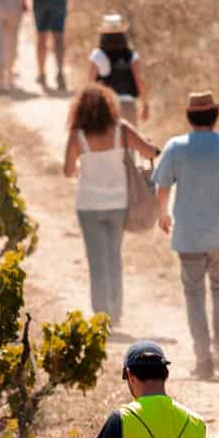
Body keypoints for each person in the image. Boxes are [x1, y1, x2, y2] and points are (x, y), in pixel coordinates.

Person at [153, 91, 219, 380]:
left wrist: (163, 214)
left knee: (194, 296)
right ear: (215, 115)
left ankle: (203, 358)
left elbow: (162, 187)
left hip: (188, 236)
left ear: (189, 116)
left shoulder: (175, 147)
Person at [64, 85, 160, 328]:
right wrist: (153, 146)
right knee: (114, 256)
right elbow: (149, 152)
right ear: (109, 106)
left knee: (96, 260)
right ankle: (116, 312)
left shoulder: (77, 136)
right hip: (117, 204)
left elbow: (67, 170)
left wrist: (79, 169)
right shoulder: (121, 131)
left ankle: (101, 315)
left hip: (88, 205)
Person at [89, 13, 148, 123]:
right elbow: (139, 81)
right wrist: (145, 104)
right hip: (128, 105)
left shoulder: (98, 55)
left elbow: (90, 85)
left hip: (107, 106)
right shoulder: (131, 55)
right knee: (128, 139)